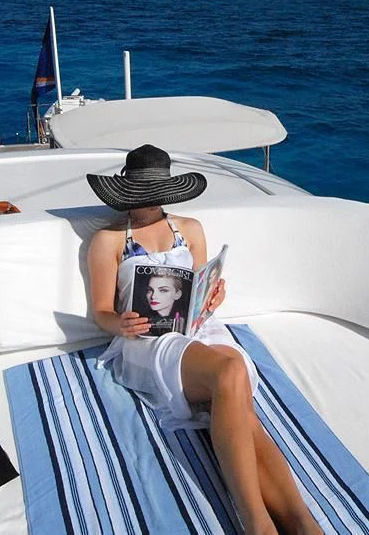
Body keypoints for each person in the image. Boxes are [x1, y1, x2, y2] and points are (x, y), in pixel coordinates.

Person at [87, 145, 321, 535]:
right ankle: (256, 522)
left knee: (237, 399)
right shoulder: (108, 241)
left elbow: (197, 292)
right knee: (230, 373)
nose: (148, 201)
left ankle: (301, 523)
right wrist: (121, 324)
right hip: (146, 341)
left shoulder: (190, 230)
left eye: (154, 193)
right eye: (141, 193)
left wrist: (214, 295)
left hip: (199, 330)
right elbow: (100, 312)